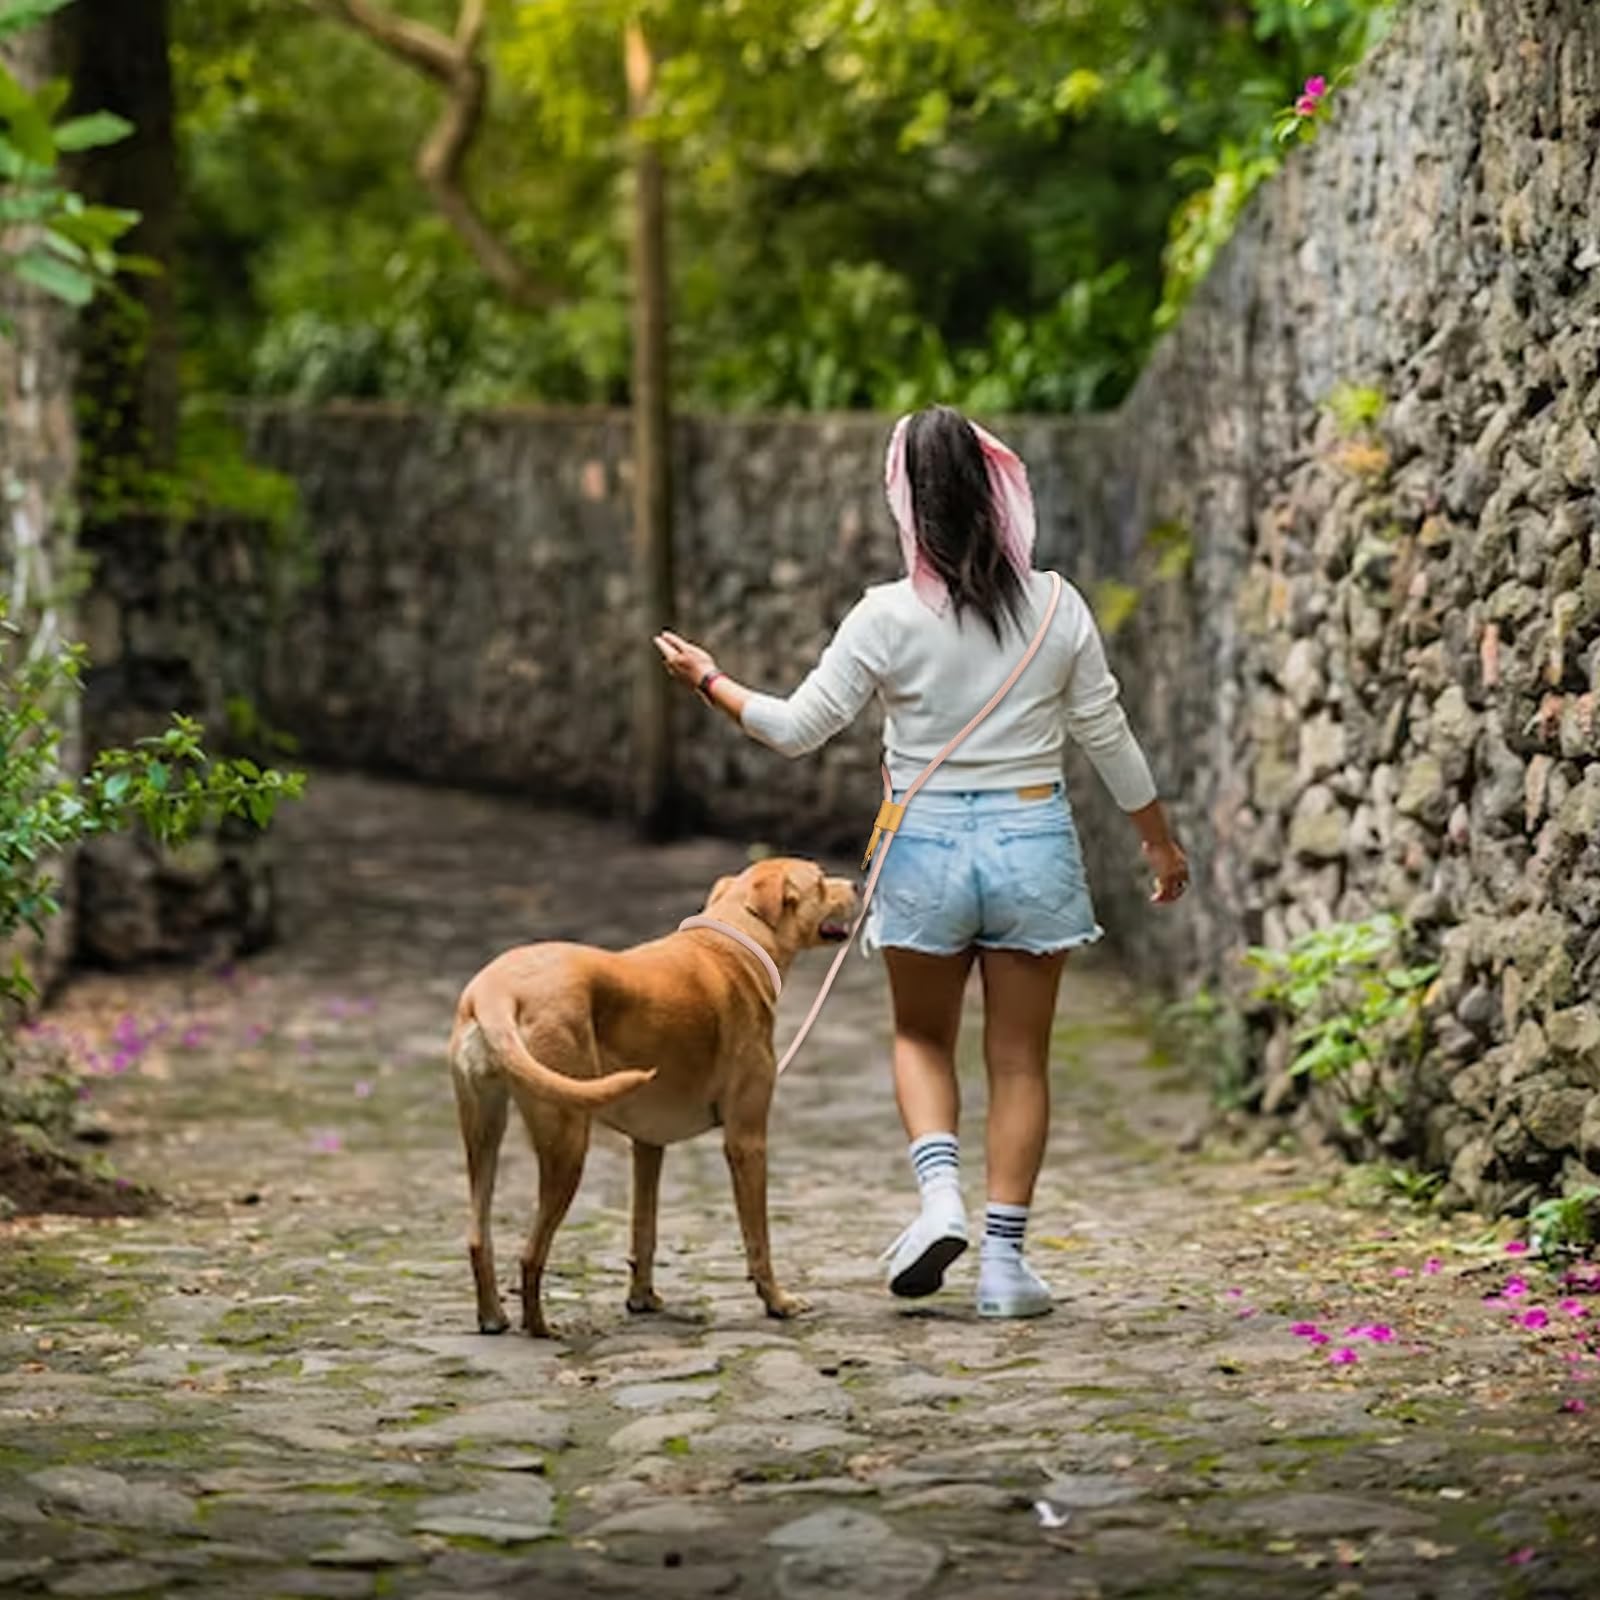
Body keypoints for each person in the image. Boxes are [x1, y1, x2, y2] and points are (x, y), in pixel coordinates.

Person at [652, 404, 1188, 1319]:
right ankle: (1005, 1267)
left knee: (920, 1038)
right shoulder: (1058, 605)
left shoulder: (884, 617)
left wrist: (708, 678)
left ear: (906, 501)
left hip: (924, 846)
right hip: (1032, 841)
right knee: (1020, 1062)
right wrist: (1158, 840)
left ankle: (939, 1197)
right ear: (995, 488)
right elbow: (1109, 735)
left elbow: (793, 729)